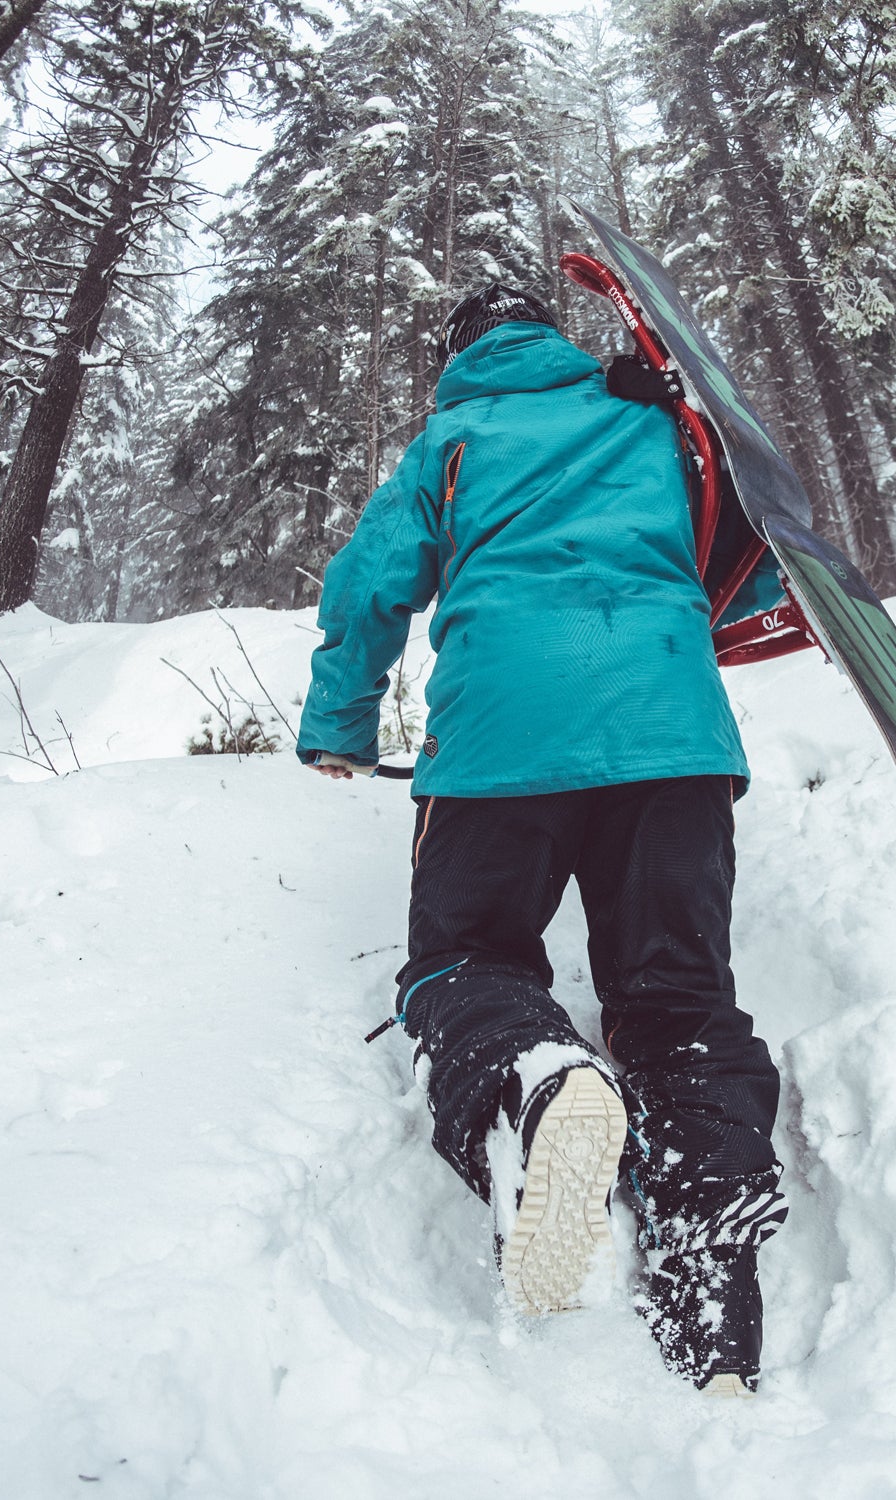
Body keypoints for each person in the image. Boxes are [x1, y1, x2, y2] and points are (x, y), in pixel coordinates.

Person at [297, 282, 787, 1395]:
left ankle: (536, 1083)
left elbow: (372, 582)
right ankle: (712, 1266)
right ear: (549, 337)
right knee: (677, 996)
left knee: (462, 957)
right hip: (672, 733)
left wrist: (338, 723)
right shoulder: (651, 414)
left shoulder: (454, 437)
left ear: (458, 353)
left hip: (502, 744)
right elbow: (740, 556)